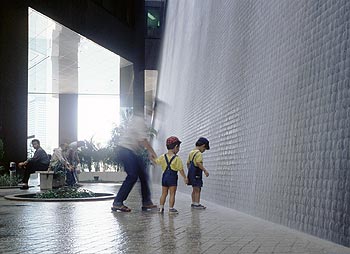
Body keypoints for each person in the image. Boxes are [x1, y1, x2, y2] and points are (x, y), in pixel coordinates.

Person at [111, 115, 158, 212]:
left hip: (131, 152)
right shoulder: (140, 120)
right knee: (132, 175)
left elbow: (140, 141)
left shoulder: (141, 121)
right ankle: (118, 202)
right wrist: (153, 153)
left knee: (143, 175)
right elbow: (143, 140)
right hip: (125, 150)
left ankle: (146, 202)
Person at [152, 136, 188, 214]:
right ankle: (171, 209)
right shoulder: (177, 158)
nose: (178, 149)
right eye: (178, 147)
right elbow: (180, 169)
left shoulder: (163, 156)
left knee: (164, 193)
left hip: (164, 176)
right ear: (176, 147)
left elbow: (156, 162)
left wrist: (152, 158)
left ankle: (161, 208)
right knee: (172, 194)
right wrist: (185, 178)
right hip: (172, 177)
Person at [187, 137, 210, 209]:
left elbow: (187, 163)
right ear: (203, 146)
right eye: (204, 149)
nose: (204, 151)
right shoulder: (199, 153)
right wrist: (205, 170)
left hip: (192, 174)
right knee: (198, 189)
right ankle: (197, 204)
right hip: (197, 174)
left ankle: (193, 203)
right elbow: (198, 163)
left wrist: (190, 171)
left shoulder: (191, 152)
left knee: (194, 189)